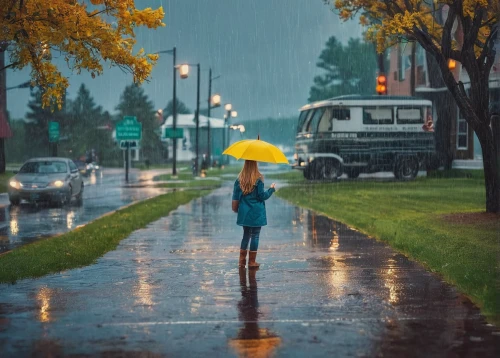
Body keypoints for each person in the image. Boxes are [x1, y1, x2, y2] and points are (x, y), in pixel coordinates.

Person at [232, 160, 276, 268]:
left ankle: (241, 261)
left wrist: (237, 209)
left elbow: (235, 198)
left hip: (245, 213)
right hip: (256, 213)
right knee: (255, 236)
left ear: (245, 164)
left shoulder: (239, 180)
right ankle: (252, 262)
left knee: (246, 235)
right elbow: (262, 196)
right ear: (255, 165)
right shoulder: (258, 179)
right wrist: (271, 189)